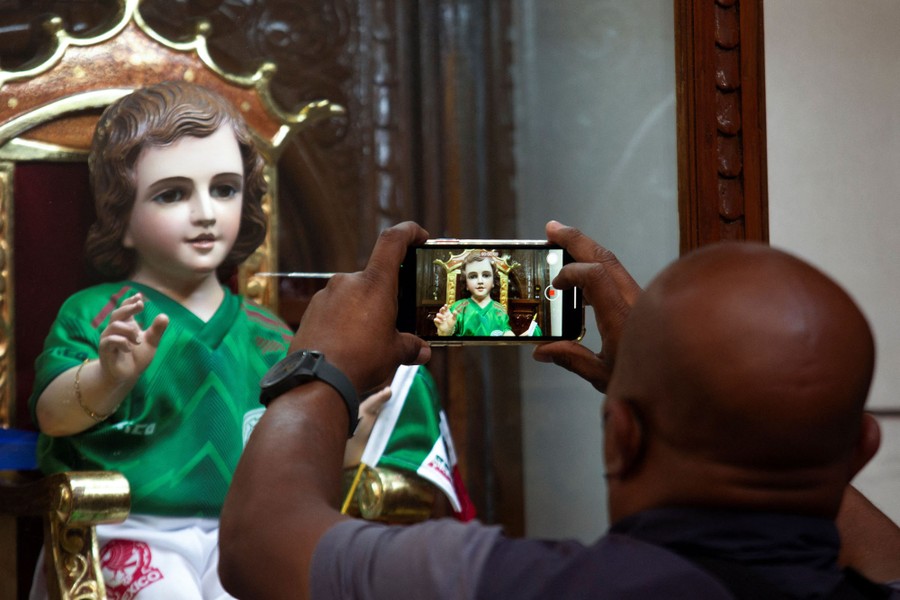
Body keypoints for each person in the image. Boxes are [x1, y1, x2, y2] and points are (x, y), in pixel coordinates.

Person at [218, 221, 900, 599]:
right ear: (862, 449)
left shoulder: (541, 590)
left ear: (619, 437)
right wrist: (673, 384)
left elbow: (259, 545)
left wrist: (321, 366)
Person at [28, 81, 291, 599]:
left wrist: (361, 414)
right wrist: (107, 379)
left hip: (241, 535)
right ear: (121, 215)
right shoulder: (100, 314)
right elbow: (52, 415)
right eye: (172, 194)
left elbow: (300, 434)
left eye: (224, 189)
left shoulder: (268, 335)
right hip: (129, 531)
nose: (206, 213)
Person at [433, 249, 541, 337]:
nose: (480, 281)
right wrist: (445, 331)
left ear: (493, 282)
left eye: (485, 275)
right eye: (473, 276)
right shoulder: (458, 308)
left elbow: (505, 331)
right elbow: (448, 330)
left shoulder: (499, 310)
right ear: (466, 283)